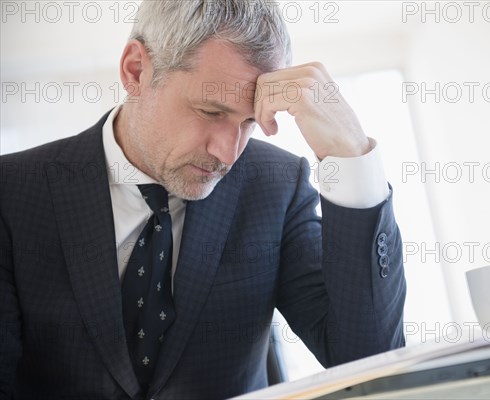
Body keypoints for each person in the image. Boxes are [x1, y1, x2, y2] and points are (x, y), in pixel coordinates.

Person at [0, 1, 406, 398]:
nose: (228, 154)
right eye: (211, 111)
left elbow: (371, 359)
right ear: (136, 70)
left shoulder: (276, 187)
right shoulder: (12, 192)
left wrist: (351, 155)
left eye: (249, 121)